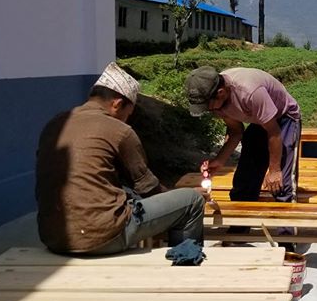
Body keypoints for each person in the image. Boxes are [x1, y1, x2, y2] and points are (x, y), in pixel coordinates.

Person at [36, 62, 206, 255]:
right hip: (100, 237)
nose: (127, 119)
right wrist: (179, 194)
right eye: (127, 114)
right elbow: (148, 189)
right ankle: (185, 262)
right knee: (191, 201)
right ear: (117, 104)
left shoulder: (55, 125)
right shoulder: (120, 131)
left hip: (52, 236)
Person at [185, 66, 301, 202]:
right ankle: (240, 222)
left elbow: (274, 132)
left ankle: (285, 221)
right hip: (260, 120)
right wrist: (220, 160)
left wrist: (274, 170)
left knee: (280, 186)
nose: (209, 111)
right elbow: (236, 132)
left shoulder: (250, 92)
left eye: (208, 106)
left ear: (221, 93)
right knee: (243, 186)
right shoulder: (217, 101)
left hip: (284, 117)